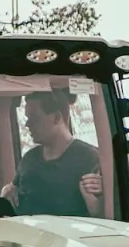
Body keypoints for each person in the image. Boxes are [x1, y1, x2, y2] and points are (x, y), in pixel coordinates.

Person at [6, 88, 103, 218]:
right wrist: (7, 192)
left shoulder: (89, 158)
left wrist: (97, 205)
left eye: (34, 117)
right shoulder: (28, 159)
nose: (27, 124)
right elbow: (13, 194)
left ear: (57, 117)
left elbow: (101, 214)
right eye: (27, 118)